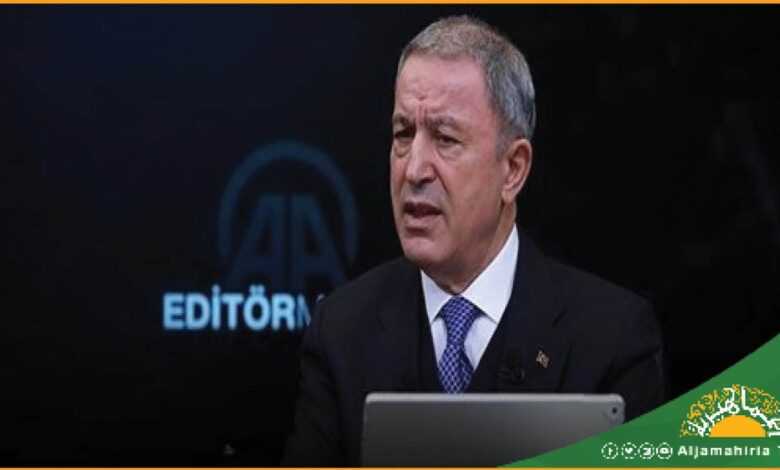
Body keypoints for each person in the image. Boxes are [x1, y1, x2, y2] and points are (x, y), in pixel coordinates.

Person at [282, 15, 664, 466]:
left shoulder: (613, 338)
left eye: (445, 138)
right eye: (403, 134)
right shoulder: (340, 331)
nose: (413, 169)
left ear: (513, 170)